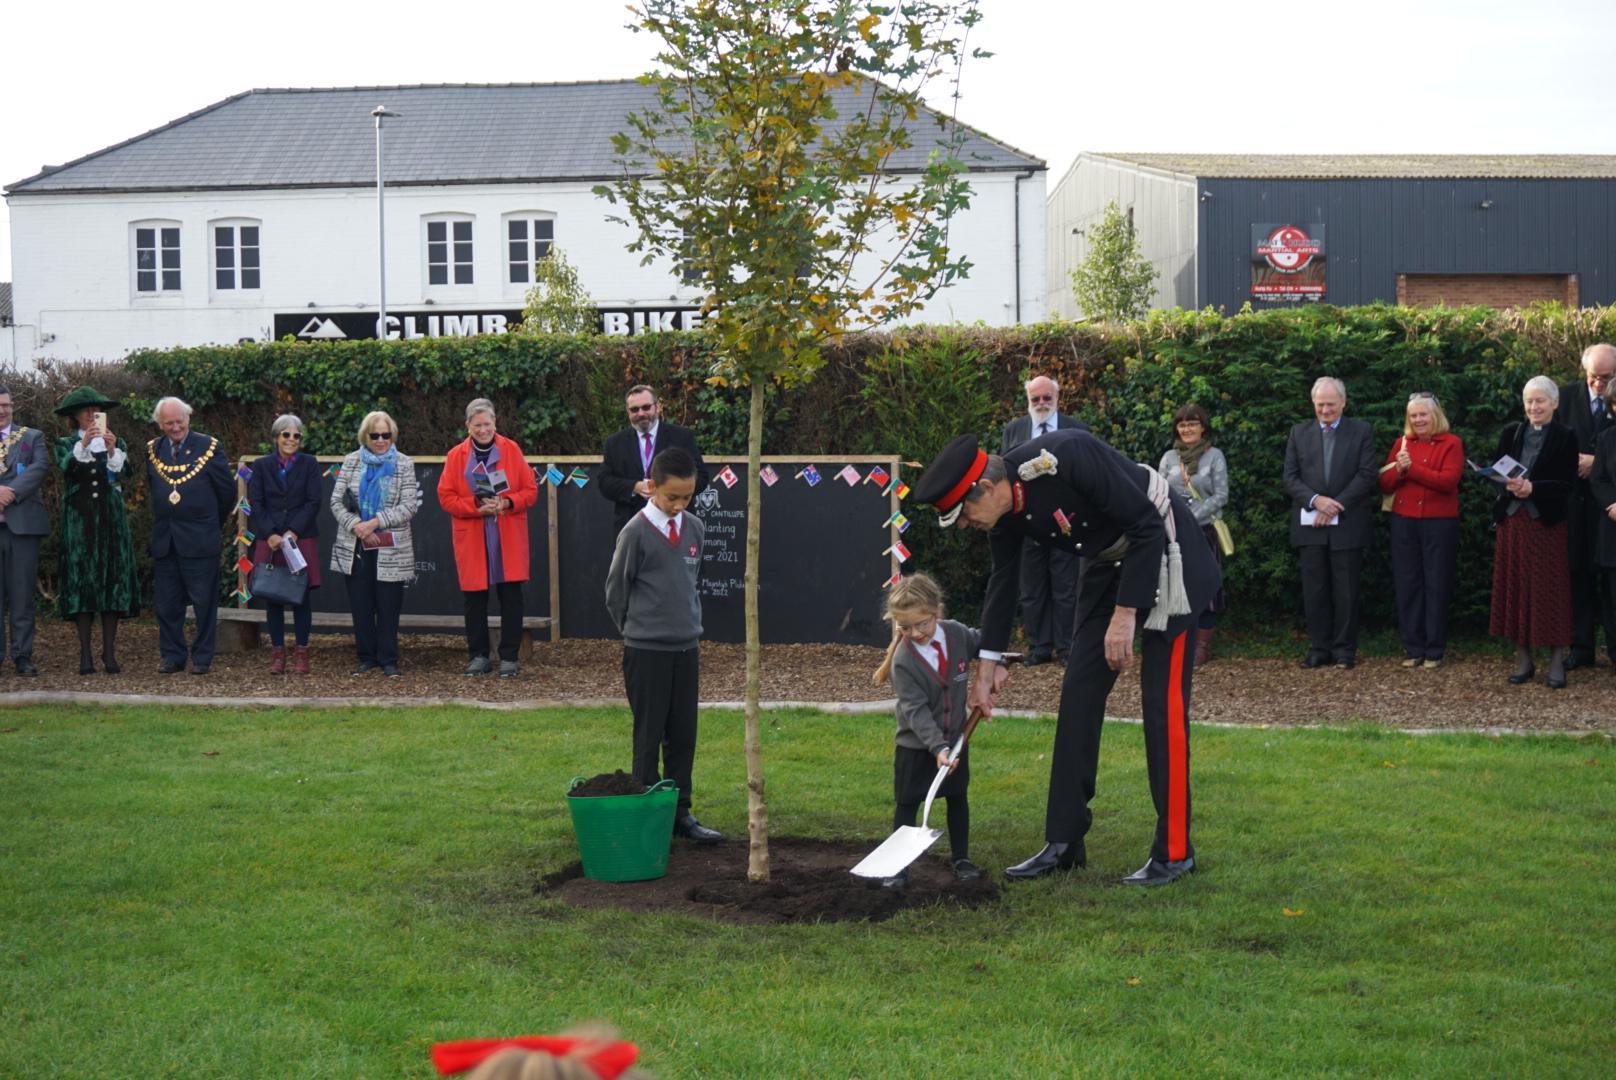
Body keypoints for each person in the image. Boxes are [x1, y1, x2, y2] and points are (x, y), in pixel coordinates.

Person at [912, 429, 1221, 887]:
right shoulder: (1003, 510)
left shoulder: (1066, 455)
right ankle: (1064, 842)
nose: (964, 526)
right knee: (1077, 696)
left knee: (1163, 708)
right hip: (1108, 565)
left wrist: (1124, 615)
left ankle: (1175, 853)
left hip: (1168, 557)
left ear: (987, 487)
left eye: (964, 514)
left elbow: (1146, 525)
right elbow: (1004, 580)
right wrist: (987, 667)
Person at [604, 447, 722, 843]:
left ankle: (679, 812)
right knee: (649, 733)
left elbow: (689, 581)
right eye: (672, 497)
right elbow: (616, 590)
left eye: (686, 497)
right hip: (646, 650)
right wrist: (636, 631)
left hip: (686, 647)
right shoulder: (635, 532)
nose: (679, 504)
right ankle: (648, 812)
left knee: (683, 734)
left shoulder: (695, 528)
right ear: (652, 487)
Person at [871, 572, 983, 887]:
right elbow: (915, 712)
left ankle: (961, 858)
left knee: (957, 797)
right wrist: (938, 748)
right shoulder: (904, 661)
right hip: (916, 747)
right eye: (904, 627)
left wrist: (1000, 660)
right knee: (907, 804)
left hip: (956, 740)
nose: (916, 633)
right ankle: (898, 868)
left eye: (923, 624)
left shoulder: (957, 634)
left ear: (937, 612)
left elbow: (984, 641)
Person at [1282, 376, 1377, 669]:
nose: (1325, 410)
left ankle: (1344, 650)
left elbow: (1367, 474)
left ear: (1343, 403)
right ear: (1313, 403)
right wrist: (1316, 501)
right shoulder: (1299, 433)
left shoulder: (1361, 431)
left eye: (1331, 404)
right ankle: (1319, 648)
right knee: (1315, 590)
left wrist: (1335, 505)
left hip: (1347, 522)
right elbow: (1290, 477)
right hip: (1310, 524)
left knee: (1346, 590)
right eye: (1320, 404)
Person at [439, 398, 538, 678]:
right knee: (474, 600)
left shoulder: (512, 450)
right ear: (467, 426)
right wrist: (475, 507)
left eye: (488, 423)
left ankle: (509, 656)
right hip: (473, 535)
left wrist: (507, 503)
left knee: (511, 597)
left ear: (495, 422)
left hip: (506, 534)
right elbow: (446, 497)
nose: (483, 429)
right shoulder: (455, 456)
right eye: (477, 424)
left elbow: (530, 491)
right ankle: (479, 656)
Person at [1491, 376, 1577, 688]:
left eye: (1540, 400)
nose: (1534, 406)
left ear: (1555, 403)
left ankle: (1556, 659)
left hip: (1546, 525)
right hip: (1513, 522)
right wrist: (1506, 482)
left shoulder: (1566, 436)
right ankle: (1523, 656)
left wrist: (1534, 488)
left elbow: (1567, 483)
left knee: (1550, 590)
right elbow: (1498, 469)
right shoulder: (1511, 432)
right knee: (1517, 588)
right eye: (1529, 401)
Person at [1000, 375, 1086, 665]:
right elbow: (1004, 472)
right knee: (1032, 587)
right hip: (1027, 520)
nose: (1041, 403)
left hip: (1066, 519)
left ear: (1057, 398)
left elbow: (1088, 474)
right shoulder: (1014, 430)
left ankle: (1066, 648)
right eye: (1035, 399)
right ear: (1028, 401)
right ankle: (1039, 648)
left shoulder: (1077, 428)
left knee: (1066, 587)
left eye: (1046, 398)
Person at [54, 386, 139, 675]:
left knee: (111, 581)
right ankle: (85, 655)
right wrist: (84, 446)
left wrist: (113, 449)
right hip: (79, 520)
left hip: (111, 519)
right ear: (75, 416)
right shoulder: (66, 444)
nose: (92, 415)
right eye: (86, 410)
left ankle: (110, 654)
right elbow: (67, 469)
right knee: (82, 583)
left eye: (96, 410)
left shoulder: (117, 442)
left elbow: (126, 474)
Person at [146, 396, 234, 675]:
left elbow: (227, 493)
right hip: (165, 540)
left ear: (189, 418)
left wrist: (208, 524)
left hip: (200, 539)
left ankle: (202, 658)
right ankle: (172, 655)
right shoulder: (153, 450)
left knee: (204, 602)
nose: (175, 428)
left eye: (179, 421)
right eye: (169, 423)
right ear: (160, 424)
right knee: (167, 604)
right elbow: (152, 489)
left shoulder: (209, 446)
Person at [1378, 392, 1464, 669]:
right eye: (1413, 416)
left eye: (1422, 415)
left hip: (1439, 523)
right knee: (1408, 583)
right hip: (1404, 521)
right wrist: (1400, 470)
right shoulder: (1402, 443)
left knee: (1436, 583)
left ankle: (1434, 649)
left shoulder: (1451, 443)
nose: (1418, 420)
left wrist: (1411, 470)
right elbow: (1385, 483)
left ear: (1434, 416)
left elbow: (1447, 482)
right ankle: (1413, 647)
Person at [330, 411, 419, 677]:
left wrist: (375, 522)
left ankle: (389, 659)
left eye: (386, 435)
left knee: (389, 606)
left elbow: (409, 506)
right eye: (375, 435)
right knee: (361, 604)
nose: (381, 440)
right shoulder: (351, 462)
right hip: (356, 544)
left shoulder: (404, 463)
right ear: (365, 436)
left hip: (391, 546)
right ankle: (366, 658)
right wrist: (357, 526)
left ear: (393, 436)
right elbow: (336, 501)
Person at [1555, 342, 1616, 670]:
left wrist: (1598, 463)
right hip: (1575, 506)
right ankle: (1581, 647)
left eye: (1606, 377)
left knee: (1611, 582)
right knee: (1577, 577)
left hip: (1610, 510)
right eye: (1594, 376)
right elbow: (1549, 447)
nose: (1598, 384)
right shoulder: (1563, 399)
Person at [247, 414, 322, 675]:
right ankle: (278, 655)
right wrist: (271, 533)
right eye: (286, 434)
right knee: (273, 598)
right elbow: (256, 502)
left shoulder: (310, 464)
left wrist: (294, 532)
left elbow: (314, 502)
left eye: (296, 435)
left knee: (301, 599)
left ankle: (302, 653)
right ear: (276, 437)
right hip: (271, 541)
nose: (291, 439)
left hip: (300, 538)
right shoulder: (261, 465)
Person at [1158, 403, 1228, 665]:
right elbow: (1159, 491)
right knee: (1176, 586)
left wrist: (1191, 518)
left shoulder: (1215, 456)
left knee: (1207, 589)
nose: (1187, 429)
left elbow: (1221, 495)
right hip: (1173, 532)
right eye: (1182, 424)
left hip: (1205, 531)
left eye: (1192, 423)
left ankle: (1202, 646)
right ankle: (1177, 641)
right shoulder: (1168, 458)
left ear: (1203, 427)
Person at [597, 385, 708, 536]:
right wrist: (635, 486)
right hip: (631, 527)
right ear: (628, 412)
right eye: (634, 409)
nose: (641, 413)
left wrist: (666, 491)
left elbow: (701, 477)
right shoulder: (615, 443)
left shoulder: (682, 437)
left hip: (675, 526)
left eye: (646, 407)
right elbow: (604, 482)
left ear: (658, 407)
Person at [0, 385, 48, 676]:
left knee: (22, 595)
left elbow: (40, 467)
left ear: (12, 406)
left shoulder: (32, 436)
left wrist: (10, 493)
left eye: (5, 405)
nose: (2, 410)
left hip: (22, 529)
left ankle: (22, 655)